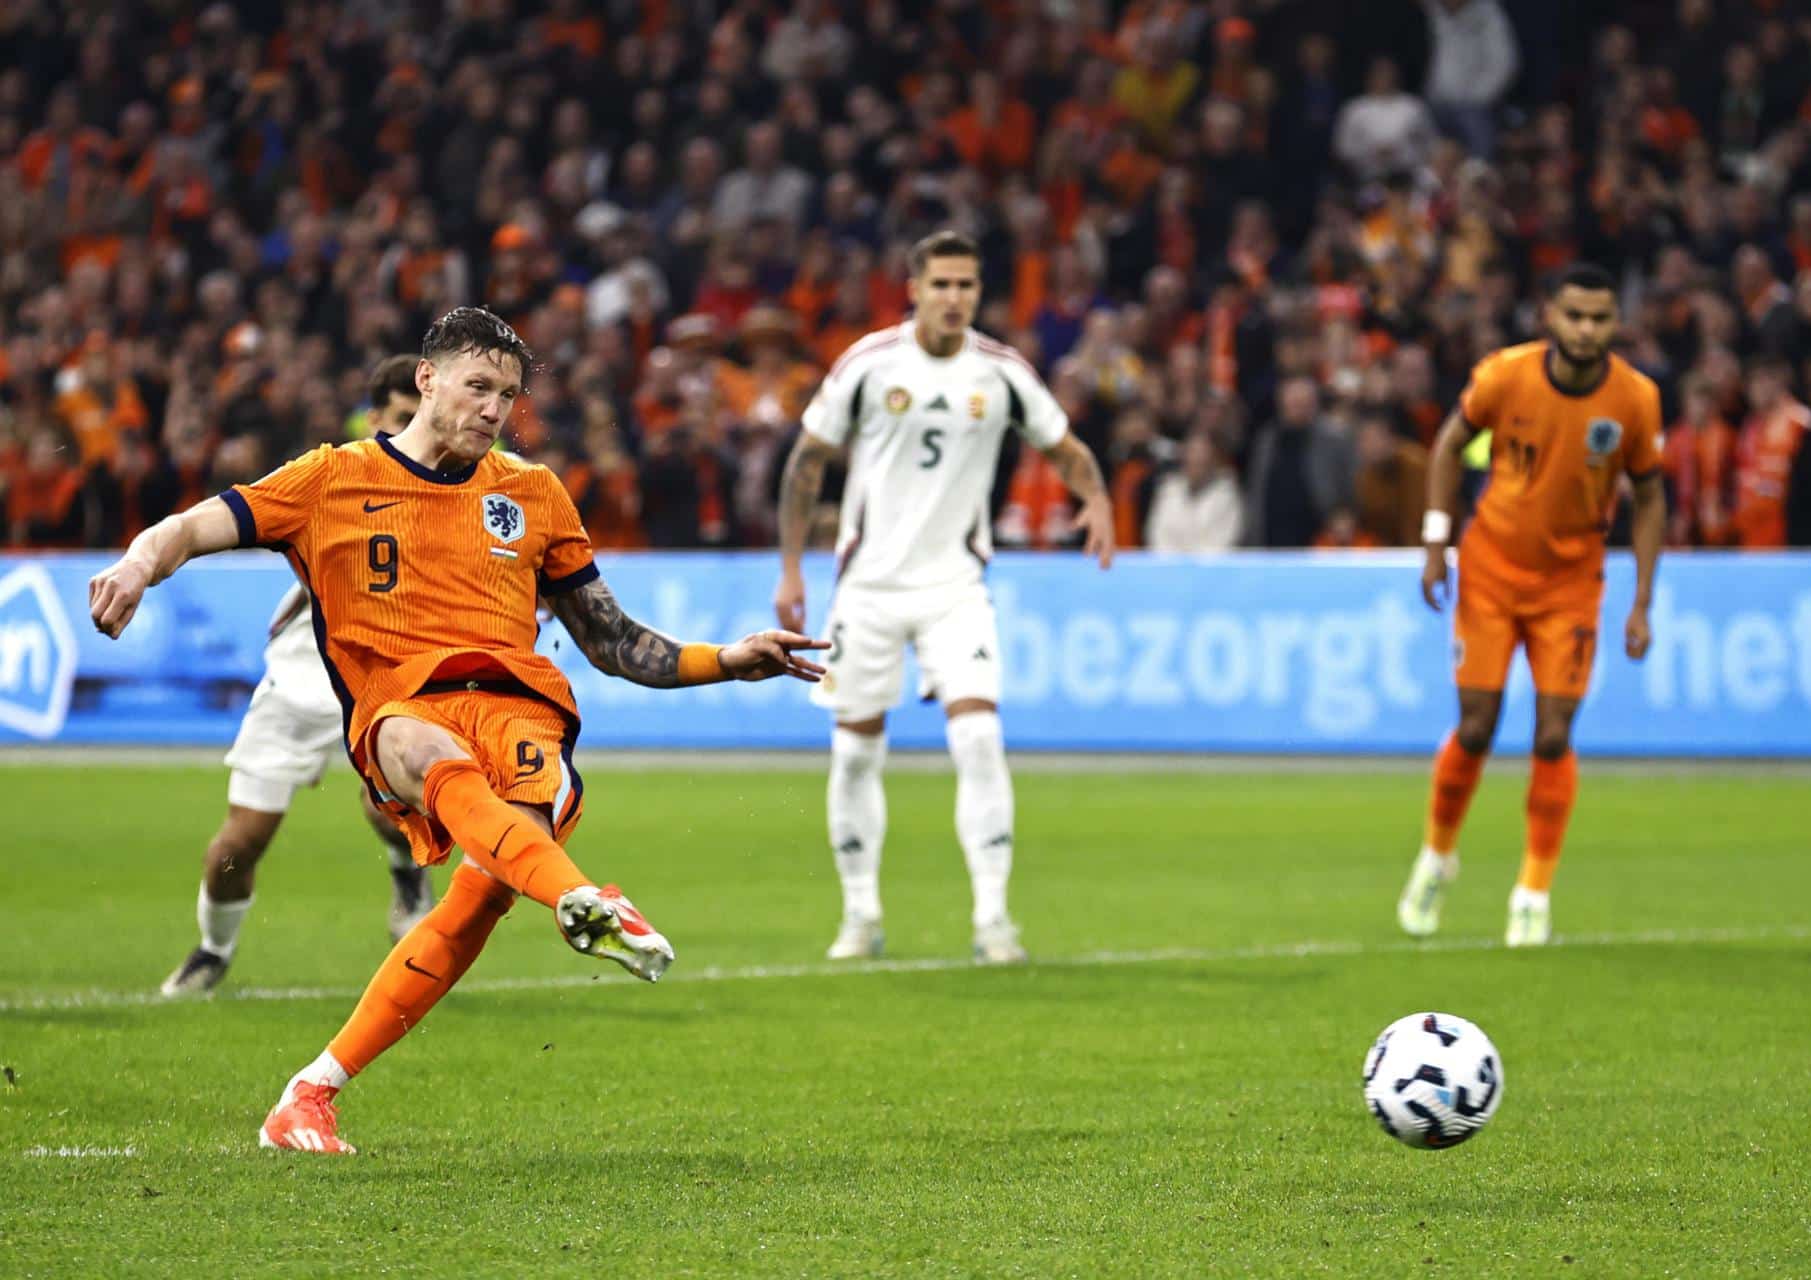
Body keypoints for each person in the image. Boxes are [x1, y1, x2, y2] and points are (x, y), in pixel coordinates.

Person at [90, 308, 824, 1153]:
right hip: (402, 707)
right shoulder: (330, 479)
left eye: (508, 396)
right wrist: (139, 563)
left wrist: (726, 659)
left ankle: (309, 1094)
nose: (494, 409)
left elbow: (614, 641)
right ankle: (583, 897)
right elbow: (193, 526)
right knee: (415, 747)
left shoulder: (532, 492)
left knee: (481, 900)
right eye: (479, 387)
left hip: (518, 713)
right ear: (428, 380)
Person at [774, 230, 1115, 964]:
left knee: (980, 738)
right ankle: (860, 916)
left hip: (956, 589)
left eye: (966, 285)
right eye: (942, 285)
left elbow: (1065, 448)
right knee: (856, 755)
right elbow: (807, 462)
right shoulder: (869, 364)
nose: (955, 298)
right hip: (866, 589)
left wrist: (1099, 499)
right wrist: (792, 571)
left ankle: (994, 918)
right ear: (914, 290)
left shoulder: (1001, 372)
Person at [1398, 264, 1666, 946]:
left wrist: (1641, 602)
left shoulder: (1634, 399)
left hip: (1572, 583)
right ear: (1550, 314)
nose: (1586, 330)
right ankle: (1437, 855)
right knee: (1479, 726)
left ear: (1615, 322)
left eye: (1599, 318)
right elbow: (1449, 444)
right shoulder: (1504, 376)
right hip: (1490, 570)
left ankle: (1532, 893)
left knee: (1553, 734)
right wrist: (1437, 543)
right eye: (1574, 315)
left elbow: (1651, 495)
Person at [160, 356, 437, 998]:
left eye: (420, 417)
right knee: (239, 845)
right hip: (302, 680)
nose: (413, 430)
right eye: (400, 419)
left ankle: (405, 871)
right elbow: (246, 519)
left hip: (391, 679)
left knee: (394, 801)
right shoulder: (333, 475)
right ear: (374, 420)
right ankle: (213, 949)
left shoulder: (456, 482)